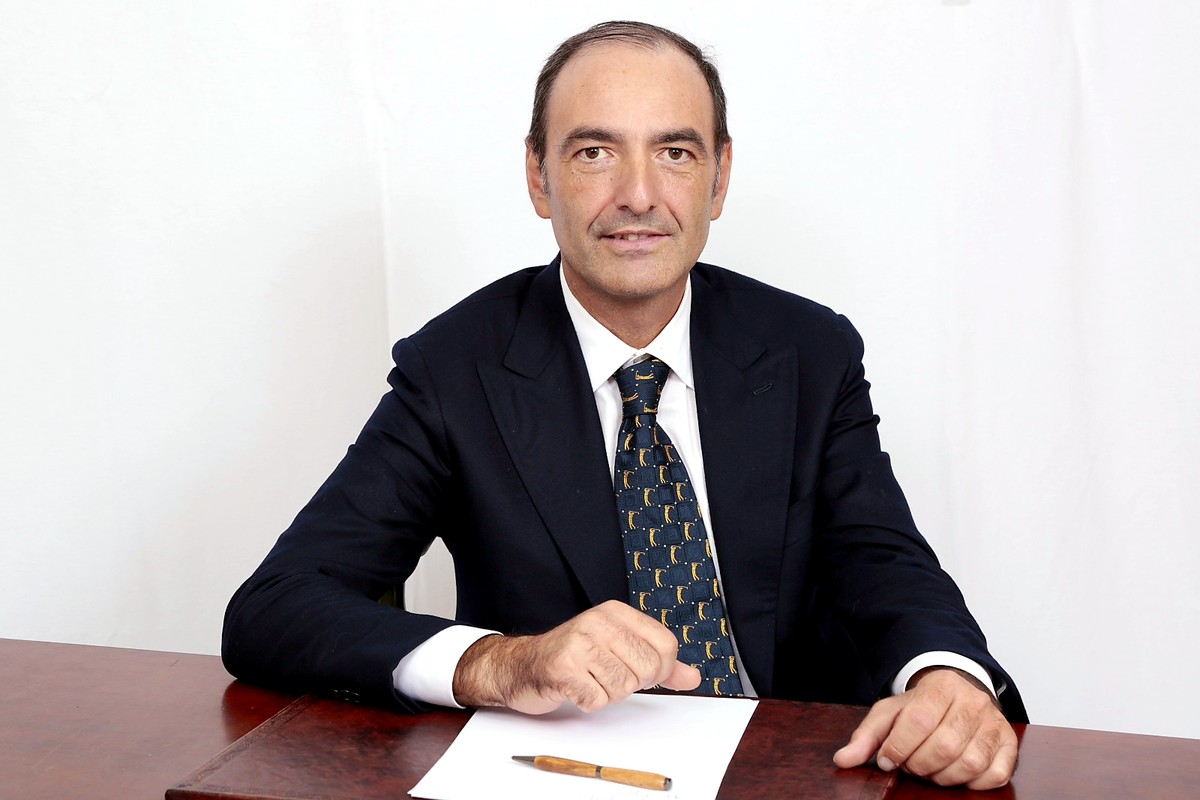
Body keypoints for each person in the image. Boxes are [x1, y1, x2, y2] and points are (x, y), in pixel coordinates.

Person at [223, 20, 1027, 790]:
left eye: (675, 152)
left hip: (793, 766)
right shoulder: (455, 368)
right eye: (595, 152)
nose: (638, 195)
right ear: (538, 176)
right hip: (571, 774)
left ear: (719, 177)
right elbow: (277, 606)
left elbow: (883, 560)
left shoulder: (809, 351)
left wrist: (946, 676)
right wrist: (502, 663)